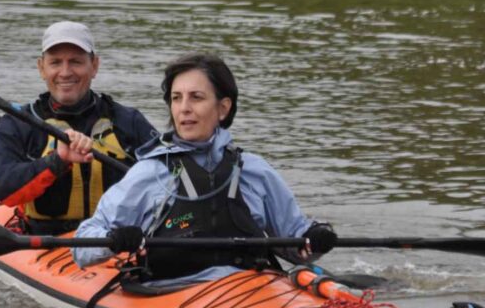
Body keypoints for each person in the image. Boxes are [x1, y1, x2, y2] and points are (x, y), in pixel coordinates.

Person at [72, 52, 337, 285]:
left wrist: (315, 238)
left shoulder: (255, 170)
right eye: (176, 98)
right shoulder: (150, 173)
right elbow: (82, 247)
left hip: (251, 289)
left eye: (196, 97)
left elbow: (295, 245)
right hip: (174, 292)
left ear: (223, 108)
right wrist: (115, 239)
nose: (184, 108)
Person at [0, 21, 157, 235]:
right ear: (42, 68)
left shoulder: (128, 121)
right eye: (55, 62)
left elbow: (172, 178)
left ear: (94, 66)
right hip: (47, 240)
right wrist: (57, 161)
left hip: (116, 241)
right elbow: (3, 189)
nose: (65, 72)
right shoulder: (18, 124)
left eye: (76, 62)